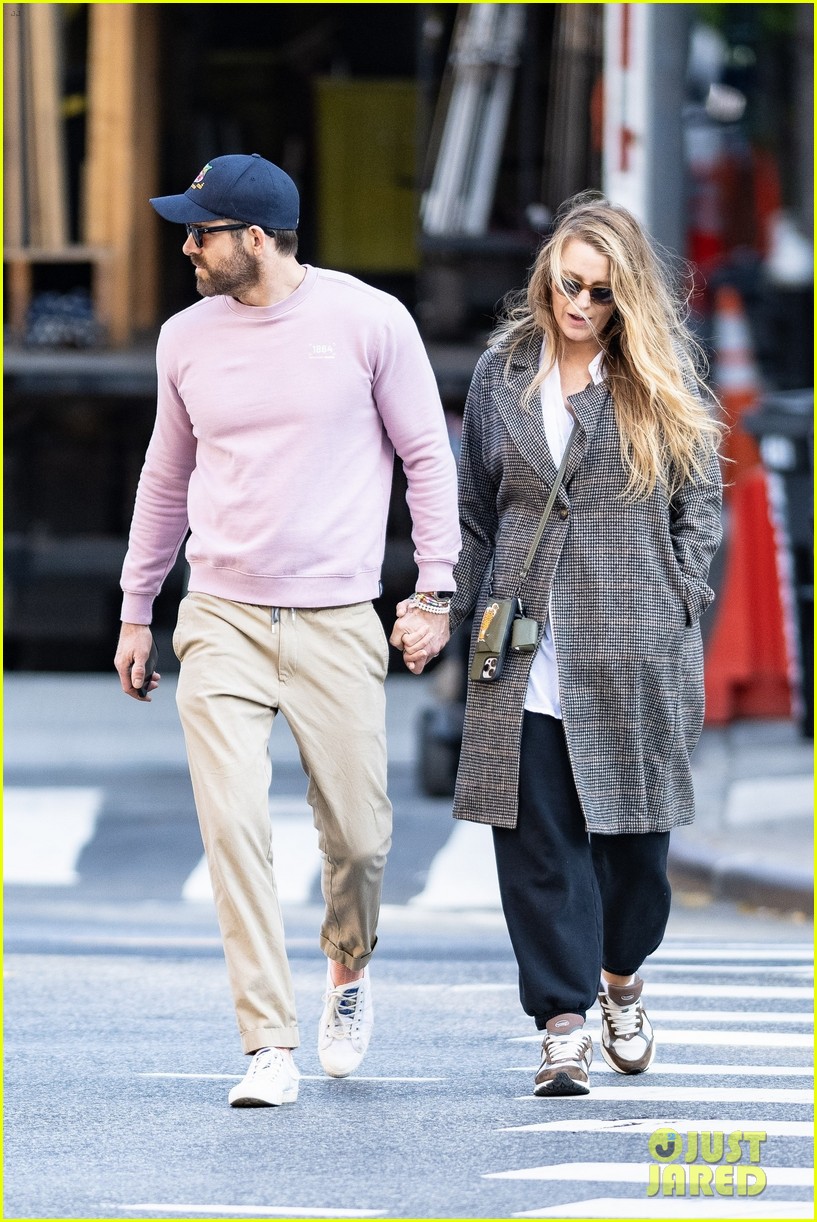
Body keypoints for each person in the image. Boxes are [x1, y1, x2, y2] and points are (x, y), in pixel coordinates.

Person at [114, 153, 460, 1108]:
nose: (186, 246)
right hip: (219, 612)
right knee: (232, 828)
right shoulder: (184, 339)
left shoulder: (366, 322)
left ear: (254, 240)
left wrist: (433, 592)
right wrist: (138, 607)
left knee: (358, 837)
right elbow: (164, 476)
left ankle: (346, 970)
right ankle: (265, 1043)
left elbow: (427, 457)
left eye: (201, 231)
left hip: (336, 616)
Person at [398, 191, 723, 1096]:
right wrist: (436, 603)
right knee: (538, 845)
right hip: (521, 640)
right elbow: (468, 512)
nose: (578, 305)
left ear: (629, 303)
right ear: (543, 277)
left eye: (600, 293)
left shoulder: (659, 381)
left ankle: (620, 978)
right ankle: (562, 1025)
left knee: (635, 855)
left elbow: (699, 509)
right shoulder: (503, 377)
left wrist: (678, 597)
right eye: (565, 284)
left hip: (632, 645)